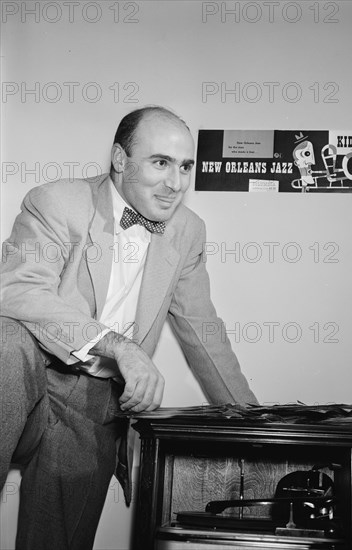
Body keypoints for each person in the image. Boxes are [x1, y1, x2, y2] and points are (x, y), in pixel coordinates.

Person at [0, 106, 257, 550]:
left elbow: (203, 331)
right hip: (27, 378)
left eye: (184, 167)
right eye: (160, 162)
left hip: (94, 402)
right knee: (5, 338)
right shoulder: (59, 201)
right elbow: (18, 290)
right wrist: (118, 345)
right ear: (120, 159)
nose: (175, 183)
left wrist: (255, 427)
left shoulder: (188, 231)